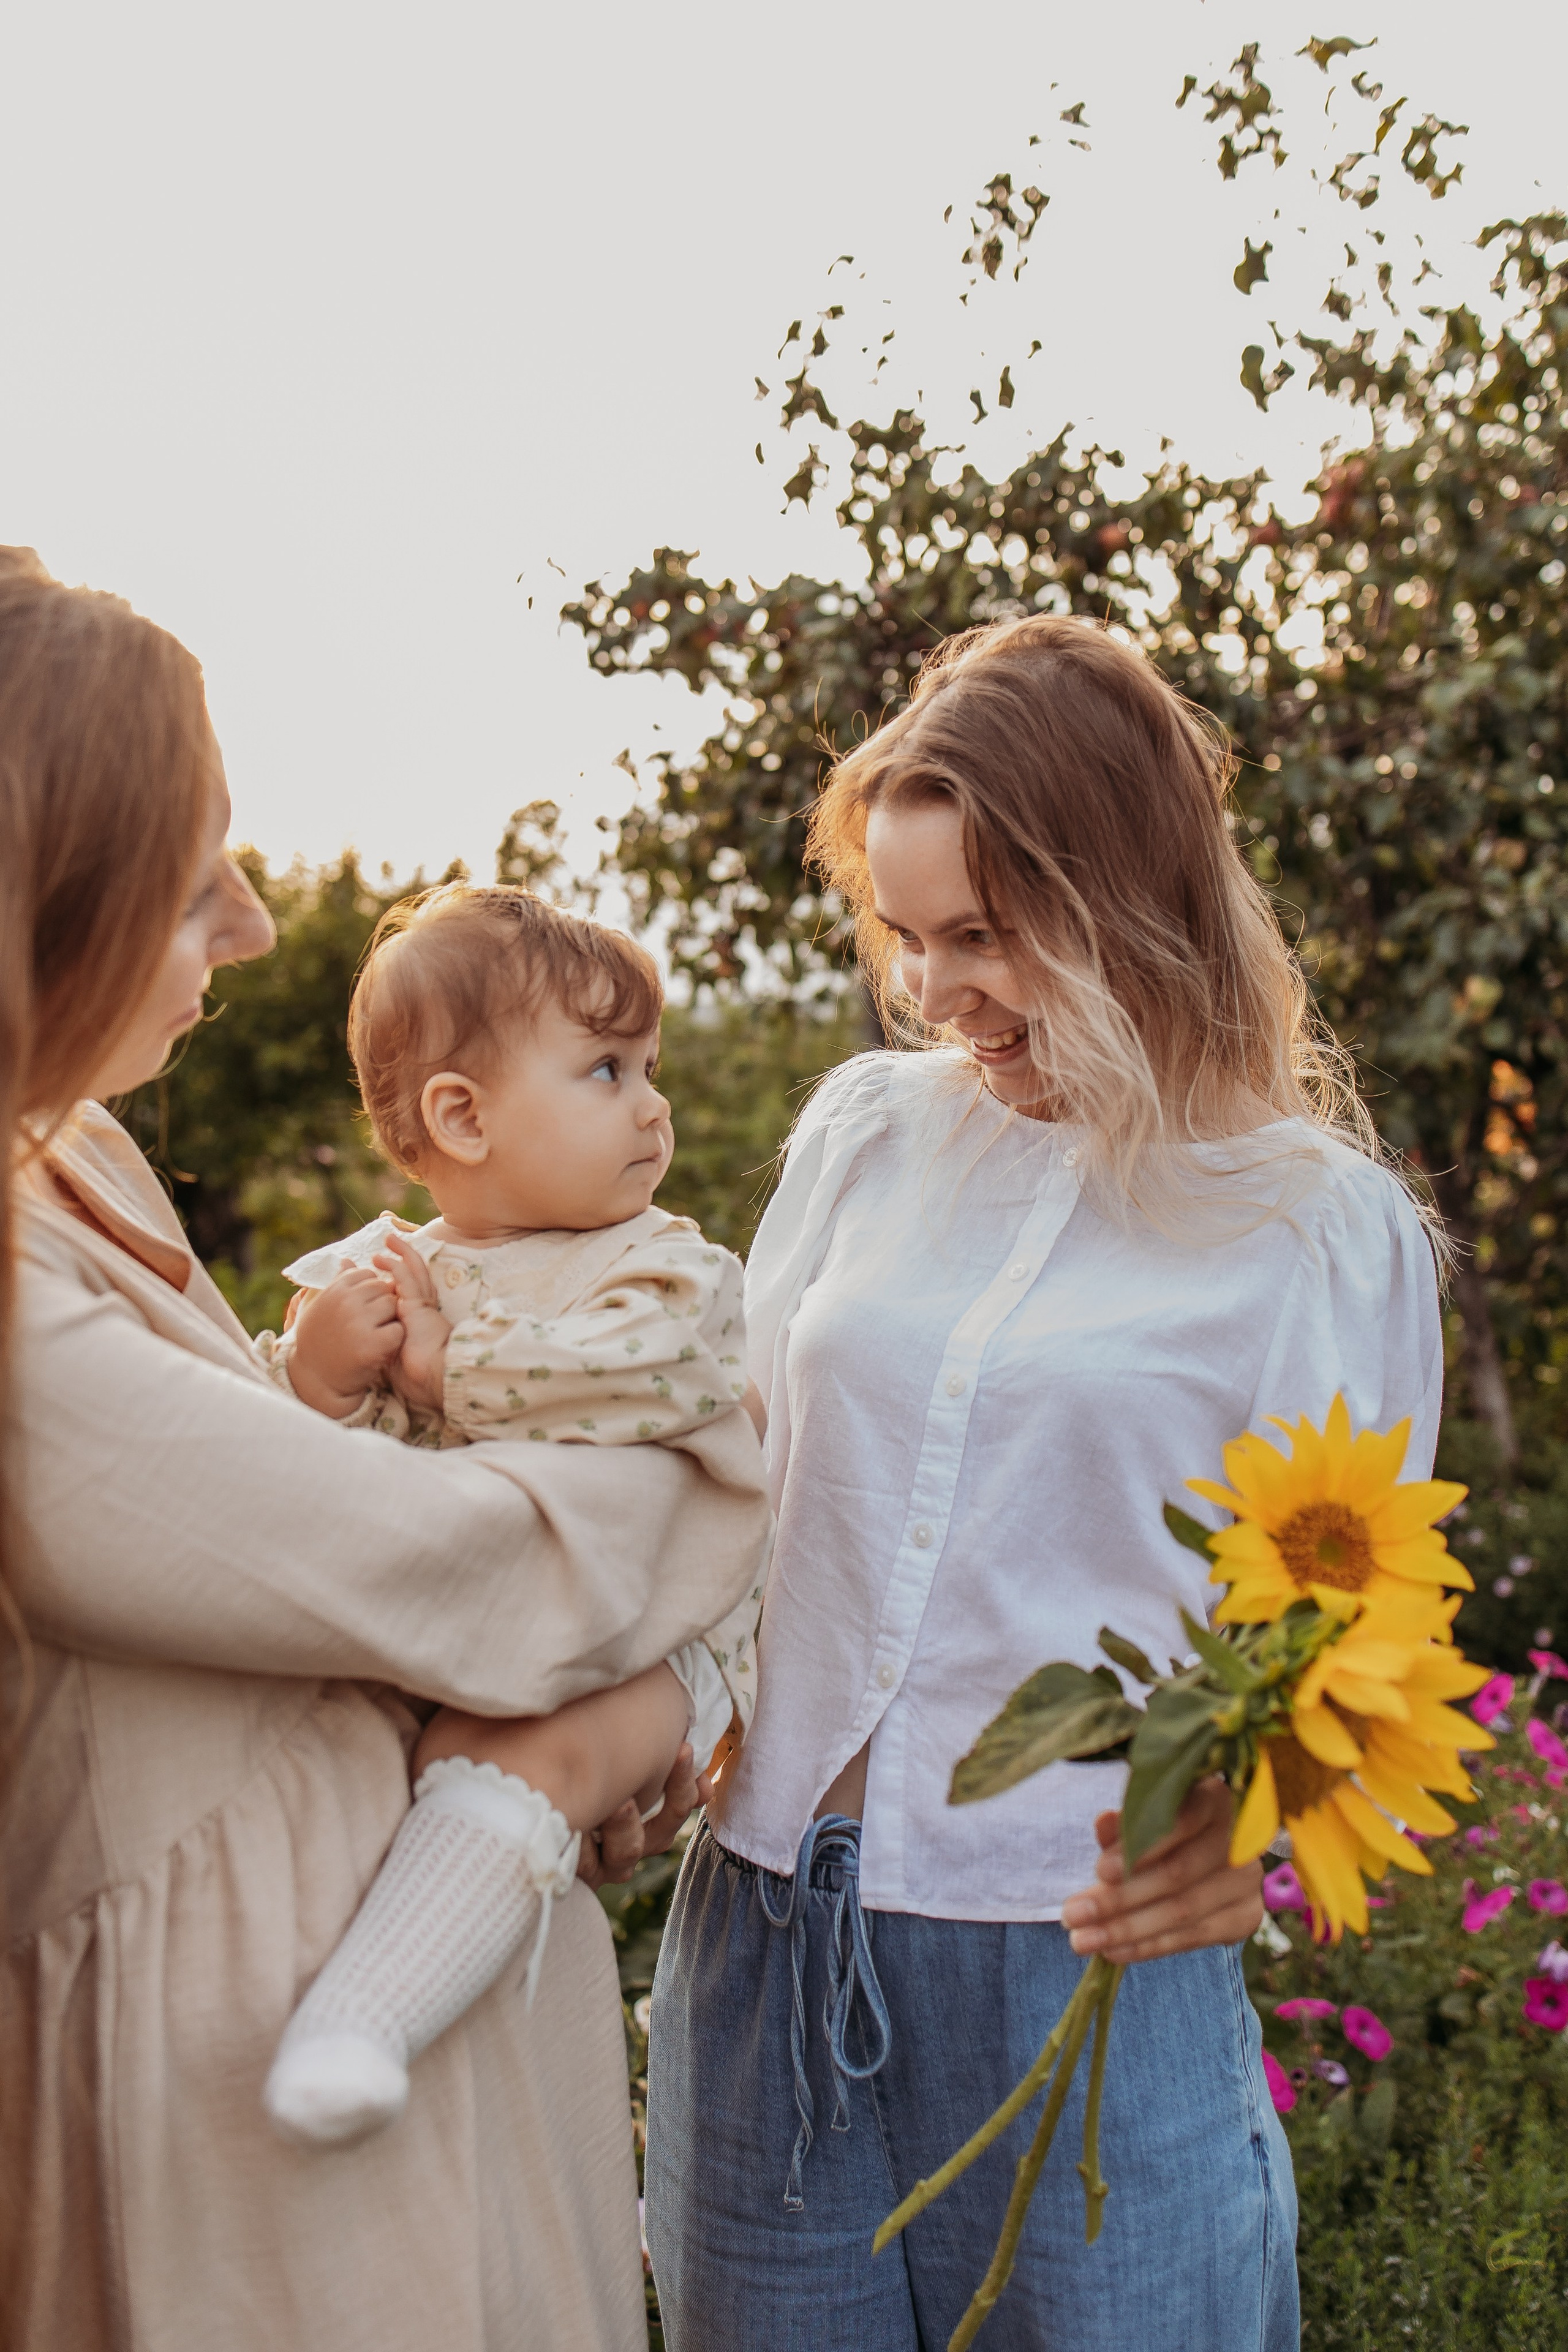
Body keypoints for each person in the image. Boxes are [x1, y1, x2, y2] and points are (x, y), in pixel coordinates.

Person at [0, 546, 771, 2352]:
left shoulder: (73, 1152)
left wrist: (557, 1751)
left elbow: (294, 1565)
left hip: (390, 2013)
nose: (255, 925)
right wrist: (711, 1495)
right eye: (195, 879)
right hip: (226, 2097)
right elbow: (452, 1570)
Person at [645, 615, 1445, 2351]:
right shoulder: (870, 1135)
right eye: (908, 936)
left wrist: (1257, 1841)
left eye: (983, 936)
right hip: (760, 1929)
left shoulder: (1313, 1229)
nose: (935, 993)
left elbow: (1354, 1635)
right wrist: (633, 1715)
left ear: (1124, 902)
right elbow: (720, 1481)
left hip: (1076, 1963)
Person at [259, 883, 765, 2146]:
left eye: (649, 1068)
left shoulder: (663, 1267)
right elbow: (280, 1478)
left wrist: (447, 1372)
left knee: (548, 1753)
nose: (651, 1106)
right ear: (461, 1117)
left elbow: (653, 1375)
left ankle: (363, 2020)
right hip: (456, 1635)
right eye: (605, 1069)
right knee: (385, 1753)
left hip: (658, 1637)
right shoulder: (378, 1279)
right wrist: (318, 1380)